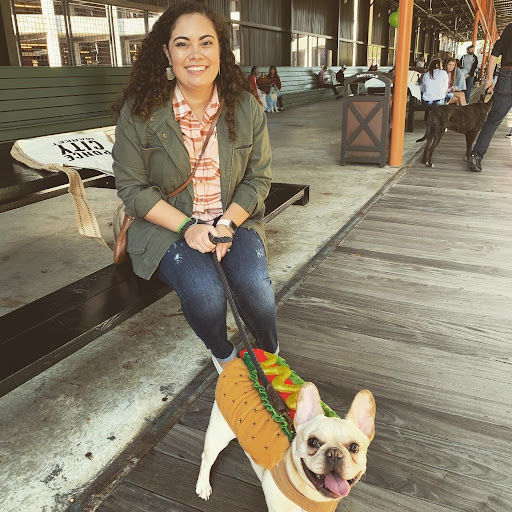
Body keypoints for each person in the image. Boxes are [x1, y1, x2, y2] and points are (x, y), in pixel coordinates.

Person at [111, 1, 279, 373]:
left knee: (257, 292)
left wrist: (226, 225)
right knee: (205, 296)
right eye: (182, 44)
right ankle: (225, 357)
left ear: (221, 49)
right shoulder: (139, 112)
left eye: (206, 42)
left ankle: (269, 357)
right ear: (166, 53)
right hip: (166, 227)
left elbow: (258, 178)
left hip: (232, 219)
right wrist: (188, 228)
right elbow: (132, 189)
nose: (195, 54)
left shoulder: (246, 107)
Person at [468, 23, 512, 172]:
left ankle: (476, 155)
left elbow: (494, 54)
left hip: (507, 76)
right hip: (507, 76)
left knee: (493, 120)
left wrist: (489, 79)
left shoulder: (510, 28)